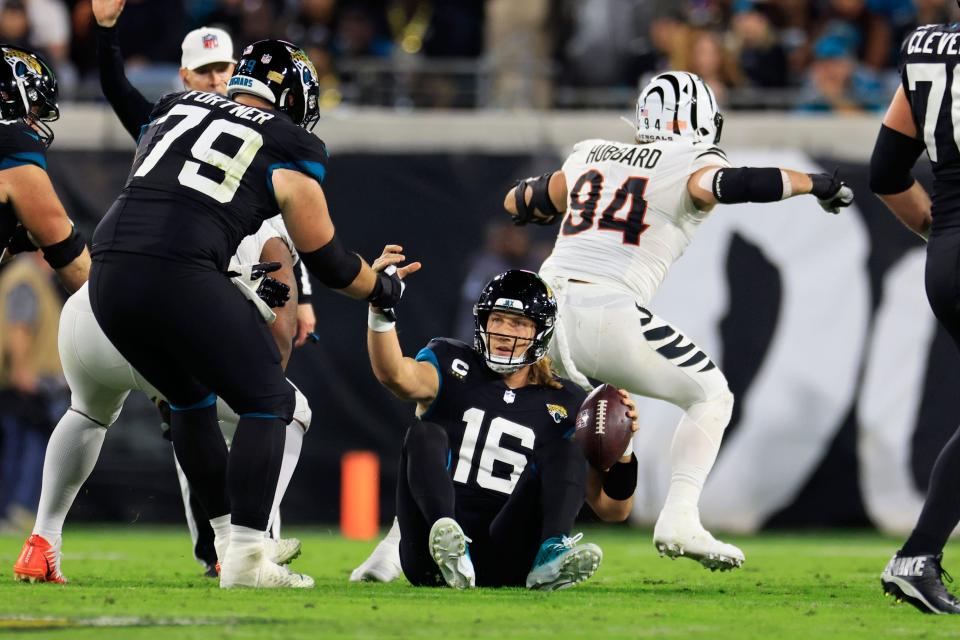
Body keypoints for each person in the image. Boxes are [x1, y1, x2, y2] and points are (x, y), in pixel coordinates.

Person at [84, 39, 406, 589]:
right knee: (270, 401)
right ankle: (248, 557)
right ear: (292, 94)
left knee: (190, 398)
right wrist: (384, 287)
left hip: (108, 269)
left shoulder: (175, 106)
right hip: (177, 268)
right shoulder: (288, 142)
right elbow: (327, 263)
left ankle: (229, 543)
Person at [504, 71, 853, 571]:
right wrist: (816, 184)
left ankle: (402, 543)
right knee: (711, 396)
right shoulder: (689, 159)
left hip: (544, 311)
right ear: (704, 120)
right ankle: (680, 517)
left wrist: (534, 204)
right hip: (608, 310)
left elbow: (519, 201)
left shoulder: (591, 153)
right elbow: (734, 184)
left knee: (494, 412)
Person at [89, 0, 308, 575]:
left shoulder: (247, 140)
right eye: (205, 73)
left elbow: (283, 234)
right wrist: (107, 36)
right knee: (257, 404)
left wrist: (301, 295)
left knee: (222, 407)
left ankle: (238, 542)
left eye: (224, 70)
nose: (215, 80)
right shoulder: (173, 115)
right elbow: (121, 97)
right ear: (185, 80)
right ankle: (238, 546)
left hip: (148, 282)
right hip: (183, 286)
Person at [365, 265, 638, 590]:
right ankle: (448, 537)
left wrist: (625, 451)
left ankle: (550, 556)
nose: (505, 332)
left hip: (507, 555)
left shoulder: (566, 401)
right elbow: (394, 374)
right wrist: (380, 307)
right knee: (423, 434)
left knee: (566, 448)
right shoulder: (452, 363)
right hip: (431, 556)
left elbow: (613, 510)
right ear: (483, 321)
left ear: (540, 332)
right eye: (498, 319)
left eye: (520, 323)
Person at [873, 21, 960, 615]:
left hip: (948, 253)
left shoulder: (927, 48)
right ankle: (917, 555)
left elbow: (885, 171)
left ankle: (918, 556)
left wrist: (942, 234)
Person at [0, 45, 89, 293]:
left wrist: (15, 243)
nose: (34, 125)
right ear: (11, 96)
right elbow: (70, 257)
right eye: (35, 113)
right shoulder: (11, 138)